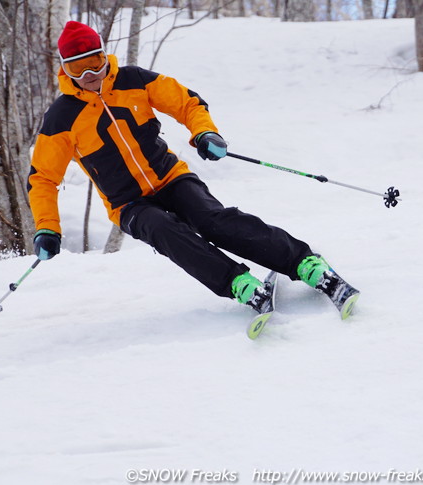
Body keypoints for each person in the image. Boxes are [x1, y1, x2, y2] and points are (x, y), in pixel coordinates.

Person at [27, 21, 357, 318]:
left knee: (210, 219)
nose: (90, 76)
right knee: (165, 230)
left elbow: (186, 102)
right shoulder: (61, 119)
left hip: (170, 177)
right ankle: (239, 284)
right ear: (65, 70)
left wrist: (204, 132)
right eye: (78, 69)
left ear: (104, 55)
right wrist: (47, 227)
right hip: (128, 204)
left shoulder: (134, 80)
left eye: (95, 63)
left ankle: (305, 263)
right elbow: (43, 178)